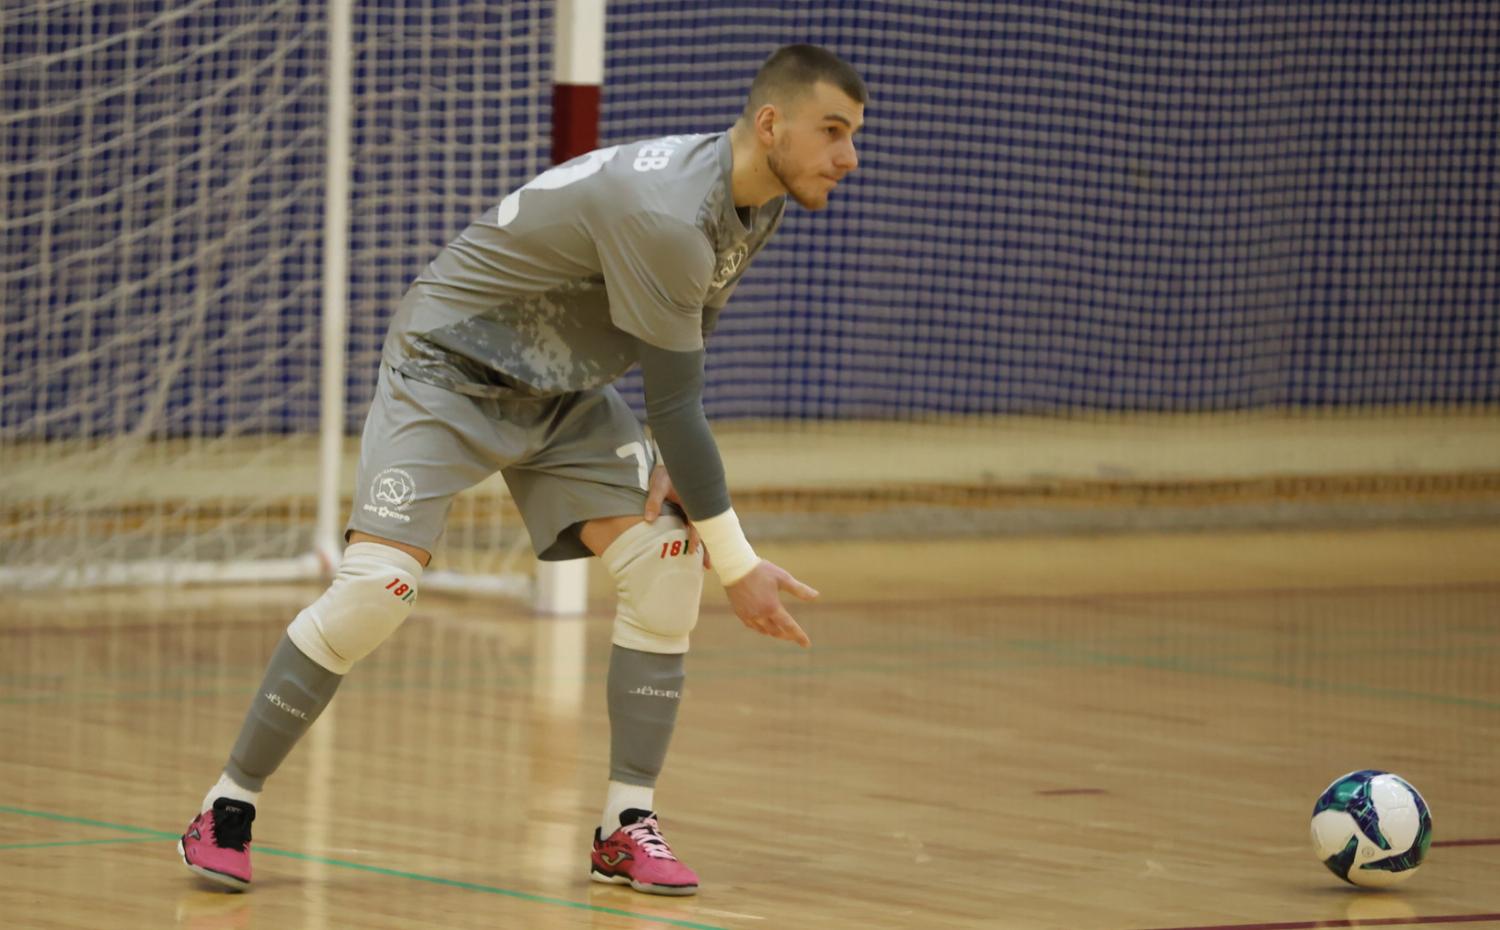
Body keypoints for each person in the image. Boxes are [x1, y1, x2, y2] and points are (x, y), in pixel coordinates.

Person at [178, 43, 866, 897]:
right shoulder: (670, 213)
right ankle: (228, 802)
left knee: (665, 552)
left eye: (853, 134)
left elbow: (687, 342)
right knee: (376, 590)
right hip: (448, 368)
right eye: (832, 131)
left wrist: (675, 473)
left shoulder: (755, 201)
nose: (849, 155)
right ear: (770, 125)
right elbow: (676, 405)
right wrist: (741, 566)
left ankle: (625, 825)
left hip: (560, 390)